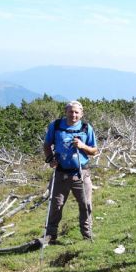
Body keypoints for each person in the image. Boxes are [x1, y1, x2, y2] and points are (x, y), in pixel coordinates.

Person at [43, 101, 98, 243]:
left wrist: (82, 145)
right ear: (65, 112)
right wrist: (50, 159)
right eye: (70, 111)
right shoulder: (55, 126)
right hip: (61, 173)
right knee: (56, 205)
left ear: (81, 114)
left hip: (81, 172)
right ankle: (50, 235)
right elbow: (47, 144)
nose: (73, 114)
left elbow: (94, 150)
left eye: (76, 112)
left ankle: (87, 234)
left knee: (86, 204)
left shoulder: (86, 128)